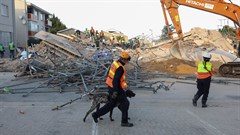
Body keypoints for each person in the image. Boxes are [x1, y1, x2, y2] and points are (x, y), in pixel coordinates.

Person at [92, 51, 135, 127]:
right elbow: (116, 80)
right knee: (125, 103)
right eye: (127, 60)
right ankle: (124, 121)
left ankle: (96, 114)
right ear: (124, 59)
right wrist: (116, 91)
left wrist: (126, 90)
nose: (127, 62)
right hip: (116, 87)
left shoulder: (115, 63)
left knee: (111, 105)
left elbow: (116, 78)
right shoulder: (120, 68)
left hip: (111, 86)